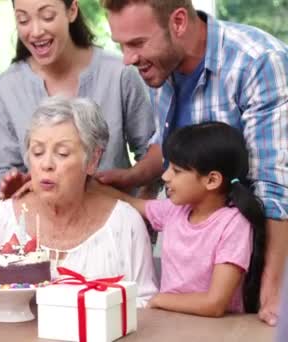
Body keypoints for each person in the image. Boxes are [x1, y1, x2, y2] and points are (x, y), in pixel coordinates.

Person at [99, 0, 288, 325]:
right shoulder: (163, 69)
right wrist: (131, 175)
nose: (129, 59)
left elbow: (277, 189)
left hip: (262, 270)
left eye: (137, 43)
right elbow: (167, 146)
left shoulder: (258, 62)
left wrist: (272, 293)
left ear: (179, 22)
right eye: (121, 45)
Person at [0, 96, 158, 307]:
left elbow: (145, 304)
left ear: (93, 160)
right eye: (37, 152)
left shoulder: (125, 223)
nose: (46, 164)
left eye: (62, 153)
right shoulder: (4, 218)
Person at [0, 0, 158, 200]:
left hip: (116, 220)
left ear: (72, 10)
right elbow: (0, 175)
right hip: (40, 226)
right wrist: (13, 184)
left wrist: (132, 184)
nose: (35, 32)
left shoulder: (119, 74)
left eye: (47, 17)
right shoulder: (6, 88)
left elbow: (153, 154)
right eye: (23, 20)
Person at [93, 122, 266, 316]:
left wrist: (159, 299)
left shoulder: (234, 224)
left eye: (176, 171)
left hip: (216, 330)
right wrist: (89, 184)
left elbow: (215, 303)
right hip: (171, 319)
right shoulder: (175, 210)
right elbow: (129, 202)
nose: (165, 176)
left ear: (211, 180)